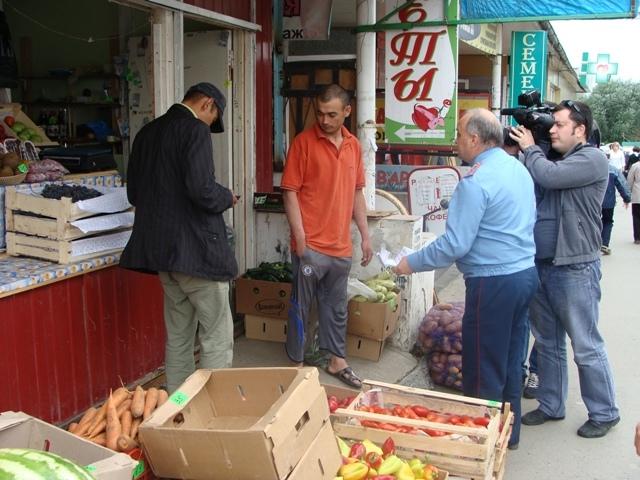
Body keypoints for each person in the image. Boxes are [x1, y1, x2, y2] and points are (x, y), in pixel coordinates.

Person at [394, 109, 538, 449]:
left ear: (475, 139)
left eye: (459, 134)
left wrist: (408, 263)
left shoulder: (476, 182)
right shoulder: (517, 169)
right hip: (524, 276)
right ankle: (508, 435)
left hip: (493, 284)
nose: (455, 141)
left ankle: (480, 444)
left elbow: (454, 244)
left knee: (482, 367)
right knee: (509, 359)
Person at [510, 99, 620, 438]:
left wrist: (530, 148)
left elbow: (549, 175)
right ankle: (551, 404)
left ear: (580, 130)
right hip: (542, 264)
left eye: (558, 124)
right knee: (547, 342)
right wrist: (534, 147)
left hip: (575, 268)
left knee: (585, 345)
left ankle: (604, 412)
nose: (552, 130)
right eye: (551, 124)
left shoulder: (592, 159)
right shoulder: (556, 156)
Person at [120, 82, 238, 393]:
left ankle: (178, 410)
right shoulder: (194, 130)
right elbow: (202, 190)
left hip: (162, 257)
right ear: (208, 105)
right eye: (214, 118)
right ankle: (212, 411)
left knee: (179, 338)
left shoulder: (147, 132)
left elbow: (134, 193)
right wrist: (227, 196)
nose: (210, 126)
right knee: (215, 336)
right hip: (197, 254)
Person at [280, 84, 373, 388]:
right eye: (320, 113)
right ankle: (295, 364)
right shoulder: (303, 143)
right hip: (310, 246)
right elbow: (290, 192)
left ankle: (337, 361)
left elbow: (357, 192)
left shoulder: (353, 146)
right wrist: (300, 236)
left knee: (336, 309)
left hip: (340, 246)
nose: (325, 120)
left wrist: (365, 235)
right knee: (301, 307)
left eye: (332, 114)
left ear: (347, 112)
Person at [600, 163, 631, 255]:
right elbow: (622, 184)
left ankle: (592, 244)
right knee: (608, 221)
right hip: (608, 201)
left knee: (592, 222)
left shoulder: (589, 167)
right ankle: (604, 243)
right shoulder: (613, 169)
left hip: (592, 201)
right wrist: (627, 198)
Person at [626, 159, 640, 244]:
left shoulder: (635, 166)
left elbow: (630, 180)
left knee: (636, 216)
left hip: (637, 194)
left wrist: (628, 193)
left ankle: (637, 237)